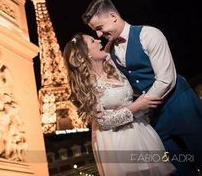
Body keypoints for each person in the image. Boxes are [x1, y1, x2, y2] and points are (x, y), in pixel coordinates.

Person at [81, 0, 202, 176]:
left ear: (113, 16)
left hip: (181, 106)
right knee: (179, 168)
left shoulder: (149, 34)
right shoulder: (109, 53)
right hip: (155, 120)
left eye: (99, 28)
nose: (98, 34)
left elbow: (166, 79)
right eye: (95, 31)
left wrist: (138, 108)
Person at [63, 33, 176, 176]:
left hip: (141, 130)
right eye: (93, 41)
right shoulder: (87, 85)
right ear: (83, 55)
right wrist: (137, 106)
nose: (99, 40)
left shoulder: (111, 66)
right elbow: (103, 121)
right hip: (117, 140)